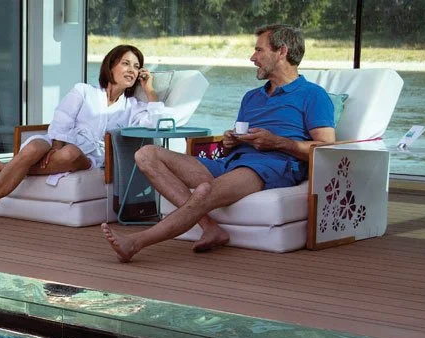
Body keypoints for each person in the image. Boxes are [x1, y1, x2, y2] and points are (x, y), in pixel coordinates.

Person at [101, 24, 335, 262]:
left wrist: (277, 143)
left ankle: (136, 242)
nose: (252, 57)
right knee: (147, 154)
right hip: (231, 162)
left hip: (270, 167)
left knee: (204, 190)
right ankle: (210, 228)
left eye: (259, 50)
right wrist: (230, 140)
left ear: (282, 51)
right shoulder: (252, 97)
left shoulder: (313, 95)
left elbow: (326, 148)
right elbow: (237, 139)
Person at [0, 45, 161, 230]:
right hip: (58, 140)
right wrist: (55, 147)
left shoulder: (133, 108)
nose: (132, 70)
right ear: (111, 66)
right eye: (126, 63)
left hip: (90, 156)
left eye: (136, 66)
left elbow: (156, 123)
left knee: (69, 152)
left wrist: (150, 90)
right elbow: (63, 118)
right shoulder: (84, 91)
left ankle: (3, 171)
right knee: (34, 149)